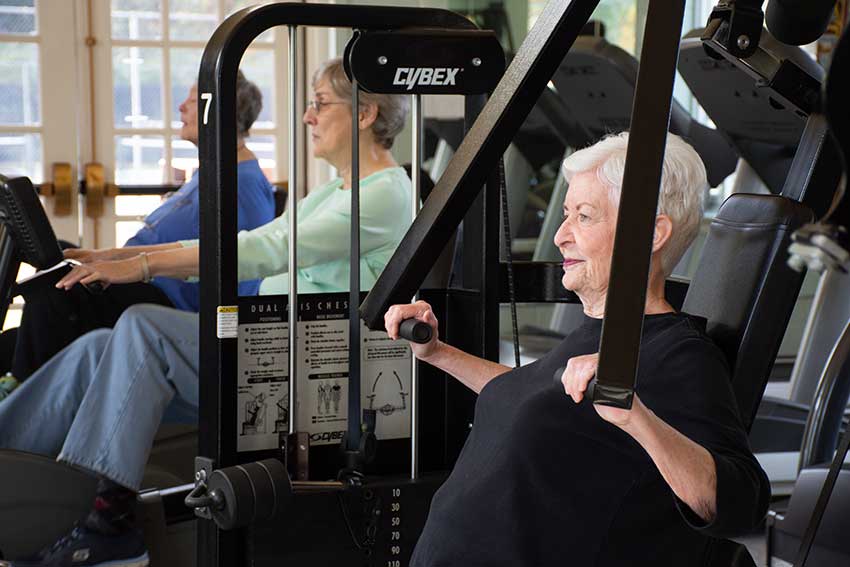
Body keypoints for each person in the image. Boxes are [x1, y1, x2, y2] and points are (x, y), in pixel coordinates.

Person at [0, 57, 411, 567]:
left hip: (301, 368)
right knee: (96, 348)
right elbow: (251, 245)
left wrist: (143, 266)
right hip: (270, 348)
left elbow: (264, 247)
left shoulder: (384, 196)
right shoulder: (336, 189)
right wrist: (114, 258)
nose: (308, 116)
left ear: (366, 113)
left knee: (143, 329)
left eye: (319, 104)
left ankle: (108, 522)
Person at [384, 132, 770, 566]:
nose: (561, 236)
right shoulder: (598, 334)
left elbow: (740, 501)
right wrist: (439, 353)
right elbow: (533, 393)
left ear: (651, 233)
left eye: (584, 217)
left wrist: (634, 415)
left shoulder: (678, 355)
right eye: (566, 215)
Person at [7, 71, 276, 381]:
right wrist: (105, 256)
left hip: (169, 300)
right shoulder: (213, 171)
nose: (181, 108)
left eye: (191, 101)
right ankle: (22, 377)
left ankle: (21, 389)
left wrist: (127, 263)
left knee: (60, 286)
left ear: (217, 112)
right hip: (141, 282)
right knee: (62, 255)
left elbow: (237, 264)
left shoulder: (244, 185)